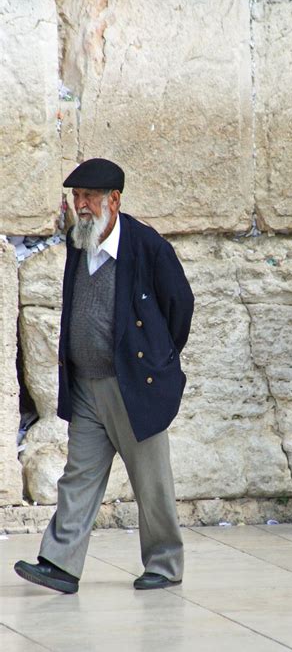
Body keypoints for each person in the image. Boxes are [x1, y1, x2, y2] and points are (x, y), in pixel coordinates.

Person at [15, 158, 194, 591]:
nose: (82, 206)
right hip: (87, 386)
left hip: (134, 386)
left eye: (90, 198)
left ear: (114, 200)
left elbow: (180, 307)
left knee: (151, 483)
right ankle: (60, 563)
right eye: (77, 198)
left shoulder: (148, 246)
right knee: (79, 476)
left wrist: (156, 363)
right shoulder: (81, 241)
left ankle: (164, 565)